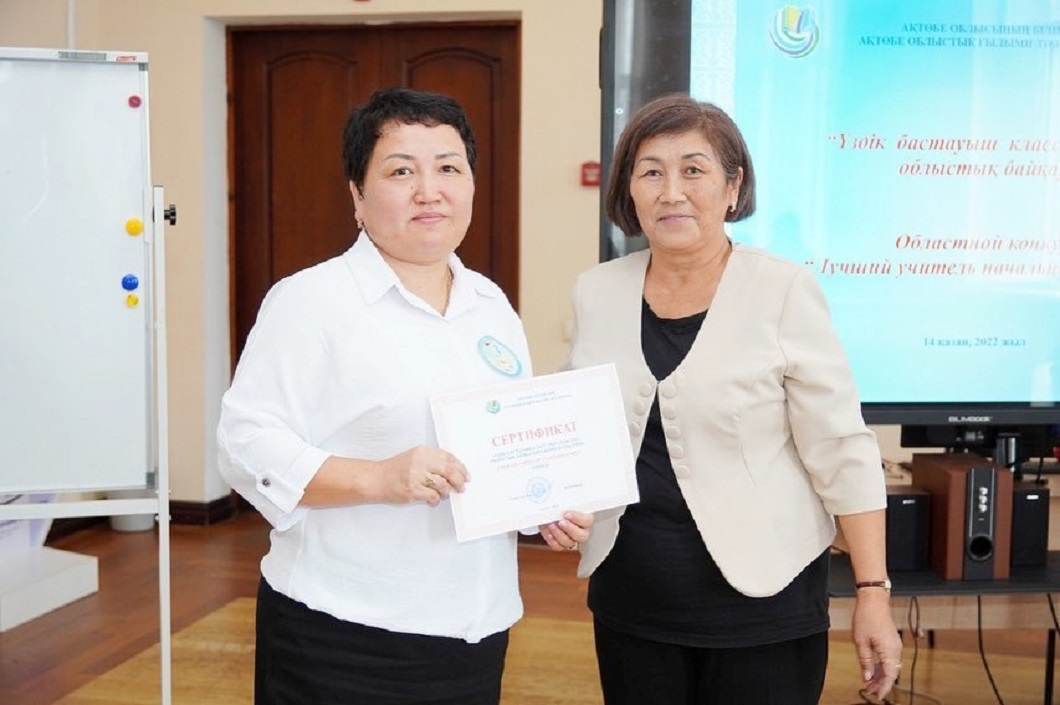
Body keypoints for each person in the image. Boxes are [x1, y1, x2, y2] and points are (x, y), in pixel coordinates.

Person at [216, 87, 593, 705]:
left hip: (475, 629)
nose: (429, 191)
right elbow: (245, 445)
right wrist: (379, 478)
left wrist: (541, 506)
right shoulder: (312, 300)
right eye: (400, 171)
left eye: (448, 168)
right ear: (357, 196)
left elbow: (499, 450)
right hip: (344, 633)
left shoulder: (491, 305)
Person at [566, 93, 902, 704]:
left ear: (733, 186)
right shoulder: (596, 290)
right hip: (632, 599)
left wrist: (872, 590)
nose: (671, 192)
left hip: (764, 605)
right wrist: (556, 498)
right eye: (650, 172)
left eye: (693, 170)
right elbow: (580, 428)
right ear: (629, 190)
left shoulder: (782, 289)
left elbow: (841, 448)